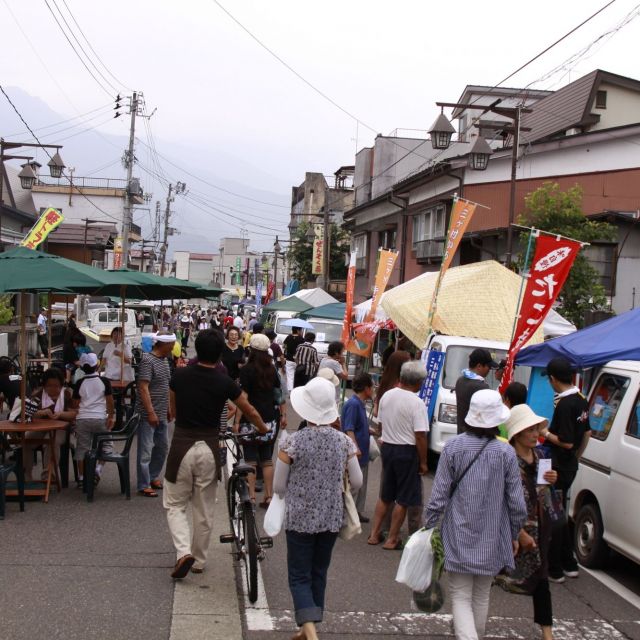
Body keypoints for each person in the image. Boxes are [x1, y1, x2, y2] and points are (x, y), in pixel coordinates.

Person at [423, 389, 527, 640]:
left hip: (458, 531)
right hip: (493, 534)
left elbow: (438, 496)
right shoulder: (506, 453)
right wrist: (514, 533)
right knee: (482, 594)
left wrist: (428, 527)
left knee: (460, 594)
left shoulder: (453, 447)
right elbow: (517, 502)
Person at [165, 329, 268, 579]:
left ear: (196, 350)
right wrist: (262, 428)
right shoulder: (224, 382)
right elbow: (249, 409)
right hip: (210, 448)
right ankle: (199, 560)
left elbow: (172, 411)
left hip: (181, 446)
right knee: (204, 507)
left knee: (175, 505)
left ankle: (183, 552)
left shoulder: (179, 375)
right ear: (220, 353)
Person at [273, 377, 363, 640]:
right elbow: (356, 481)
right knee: (319, 572)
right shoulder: (344, 442)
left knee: (299, 575)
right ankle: (308, 626)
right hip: (331, 516)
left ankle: (309, 630)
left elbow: (278, 485)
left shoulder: (293, 442)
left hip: (299, 517)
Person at [505, 404, 558, 640]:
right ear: (517, 434)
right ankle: (472, 619)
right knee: (493, 577)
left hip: (539, 529)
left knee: (541, 579)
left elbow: (543, 494)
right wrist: (517, 533)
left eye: (537, 428)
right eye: (531, 429)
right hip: (511, 531)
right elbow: (500, 502)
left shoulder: (540, 457)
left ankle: (548, 633)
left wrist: (550, 479)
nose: (536, 433)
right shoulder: (506, 461)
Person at [368, 361, 429, 550]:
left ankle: (374, 534)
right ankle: (392, 538)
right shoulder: (417, 402)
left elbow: (381, 424)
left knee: (385, 495)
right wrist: (424, 462)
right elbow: (420, 435)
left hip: (388, 446)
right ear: (418, 382)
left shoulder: (387, 395)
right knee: (403, 498)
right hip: (406, 450)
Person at [540, 356, 591, 583]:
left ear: (552, 379)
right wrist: (576, 458)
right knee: (559, 513)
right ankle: (569, 564)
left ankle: (555, 569)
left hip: (556, 466)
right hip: (568, 466)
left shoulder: (565, 404)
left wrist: (545, 433)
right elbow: (587, 434)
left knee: (553, 515)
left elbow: (567, 441)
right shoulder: (581, 399)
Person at [234, 333, 287, 505]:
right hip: (270, 419)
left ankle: (251, 496)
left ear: (252, 350)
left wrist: (236, 422)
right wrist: (283, 415)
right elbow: (279, 396)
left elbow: (243, 398)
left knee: (250, 459)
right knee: (266, 459)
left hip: (250, 419)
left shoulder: (246, 370)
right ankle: (269, 495)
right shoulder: (272, 370)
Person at [135, 331, 175, 498]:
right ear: (163, 344)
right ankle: (143, 483)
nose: (173, 348)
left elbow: (166, 385)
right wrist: (150, 412)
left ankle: (152, 476)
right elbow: (143, 387)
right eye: (171, 345)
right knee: (145, 450)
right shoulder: (147, 360)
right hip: (147, 413)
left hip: (161, 410)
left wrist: (168, 408)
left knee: (162, 447)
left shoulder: (165, 360)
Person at [22, 368, 77, 481]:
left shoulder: (67, 394)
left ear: (61, 385)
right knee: (26, 440)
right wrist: (42, 412)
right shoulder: (38, 394)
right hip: (39, 427)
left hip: (61, 428)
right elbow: (29, 413)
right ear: (44, 385)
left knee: (51, 442)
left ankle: (48, 477)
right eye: (49, 386)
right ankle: (26, 475)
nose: (53, 389)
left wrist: (61, 414)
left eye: (56, 386)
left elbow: (75, 413)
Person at [72, 353, 115, 485]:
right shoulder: (104, 381)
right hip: (100, 418)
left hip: (82, 419)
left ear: (82, 368)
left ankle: (82, 477)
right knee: (106, 446)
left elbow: (75, 404)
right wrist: (111, 416)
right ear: (97, 366)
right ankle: (97, 469)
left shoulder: (79, 383)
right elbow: (110, 401)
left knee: (82, 448)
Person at [341, 372, 374, 523]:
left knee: (360, 484)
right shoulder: (353, 404)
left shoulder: (359, 404)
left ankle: (356, 512)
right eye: (372, 387)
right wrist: (355, 448)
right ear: (366, 388)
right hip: (356, 453)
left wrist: (369, 430)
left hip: (362, 452)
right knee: (353, 484)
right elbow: (349, 429)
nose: (373, 390)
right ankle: (346, 516)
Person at [454, 348, 499, 434]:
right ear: (479, 366)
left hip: (461, 433)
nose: (489, 370)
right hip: (475, 436)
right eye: (488, 367)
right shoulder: (481, 387)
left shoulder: (460, 380)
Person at [373, 350, 411, 418]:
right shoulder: (401, 386)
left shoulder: (385, 381)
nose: (410, 367)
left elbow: (376, 412)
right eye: (409, 364)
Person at [283, 327, 305, 391]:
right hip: (298, 360)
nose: (301, 332)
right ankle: (296, 389)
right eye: (301, 330)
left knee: (290, 376)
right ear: (298, 330)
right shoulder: (301, 339)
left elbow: (284, 346)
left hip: (289, 359)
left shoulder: (288, 337)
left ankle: (290, 390)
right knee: (297, 376)